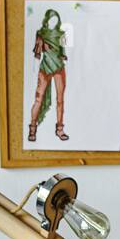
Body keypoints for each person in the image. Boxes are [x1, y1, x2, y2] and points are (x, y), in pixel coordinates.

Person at [28, 8, 68, 142]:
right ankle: (32, 129)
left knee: (60, 100)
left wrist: (60, 61)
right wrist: (34, 68)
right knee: (38, 100)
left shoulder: (62, 34)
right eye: (51, 20)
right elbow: (37, 53)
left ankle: (60, 130)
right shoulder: (41, 33)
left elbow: (63, 52)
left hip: (59, 69)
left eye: (56, 21)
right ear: (46, 20)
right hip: (45, 69)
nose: (53, 23)